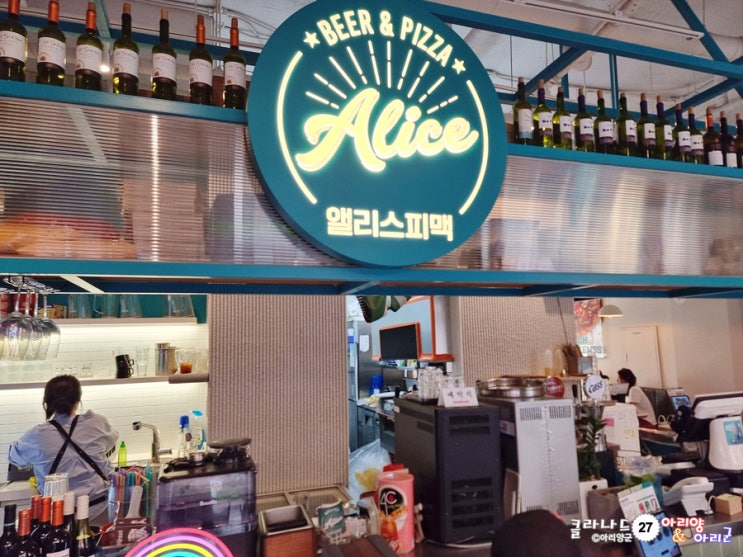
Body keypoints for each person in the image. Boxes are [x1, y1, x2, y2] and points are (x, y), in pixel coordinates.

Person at [8, 375, 118, 524]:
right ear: (78, 400)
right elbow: (111, 441)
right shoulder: (96, 423)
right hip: (101, 511)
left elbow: (14, 457)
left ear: (46, 402)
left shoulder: (37, 435)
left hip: (58, 518)